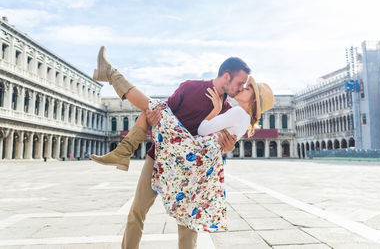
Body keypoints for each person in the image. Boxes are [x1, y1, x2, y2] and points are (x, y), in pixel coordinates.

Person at [90, 47, 273, 249]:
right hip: (160, 158)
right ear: (227, 76)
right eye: (240, 84)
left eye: (244, 87)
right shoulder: (190, 87)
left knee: (187, 225)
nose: (240, 89)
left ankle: (122, 145)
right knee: (137, 212)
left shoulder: (229, 110)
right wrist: (152, 119)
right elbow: (163, 114)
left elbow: (217, 140)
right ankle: (122, 148)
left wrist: (227, 147)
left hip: (189, 169)